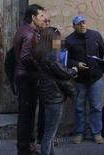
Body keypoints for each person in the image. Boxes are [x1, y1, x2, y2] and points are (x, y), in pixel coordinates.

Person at [33, 27, 78, 155]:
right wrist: (74, 70)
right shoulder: (50, 56)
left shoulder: (41, 53)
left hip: (47, 95)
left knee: (50, 133)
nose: (58, 42)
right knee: (50, 134)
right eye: (57, 39)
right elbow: (62, 73)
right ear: (51, 40)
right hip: (54, 96)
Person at [65, 15, 104, 144]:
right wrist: (76, 64)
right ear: (74, 26)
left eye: (83, 22)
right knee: (79, 107)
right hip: (79, 80)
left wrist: (97, 67)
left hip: (95, 77)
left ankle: (97, 133)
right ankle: (79, 133)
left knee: (96, 106)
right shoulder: (69, 40)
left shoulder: (95, 35)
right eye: (79, 24)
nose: (82, 25)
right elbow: (65, 59)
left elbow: (102, 53)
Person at [12, 4, 47, 155]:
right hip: (27, 78)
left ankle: (26, 146)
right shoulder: (29, 34)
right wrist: (40, 66)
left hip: (24, 77)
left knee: (26, 114)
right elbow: (25, 57)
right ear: (33, 17)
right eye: (41, 16)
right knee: (27, 115)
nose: (44, 19)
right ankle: (24, 149)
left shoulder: (24, 30)